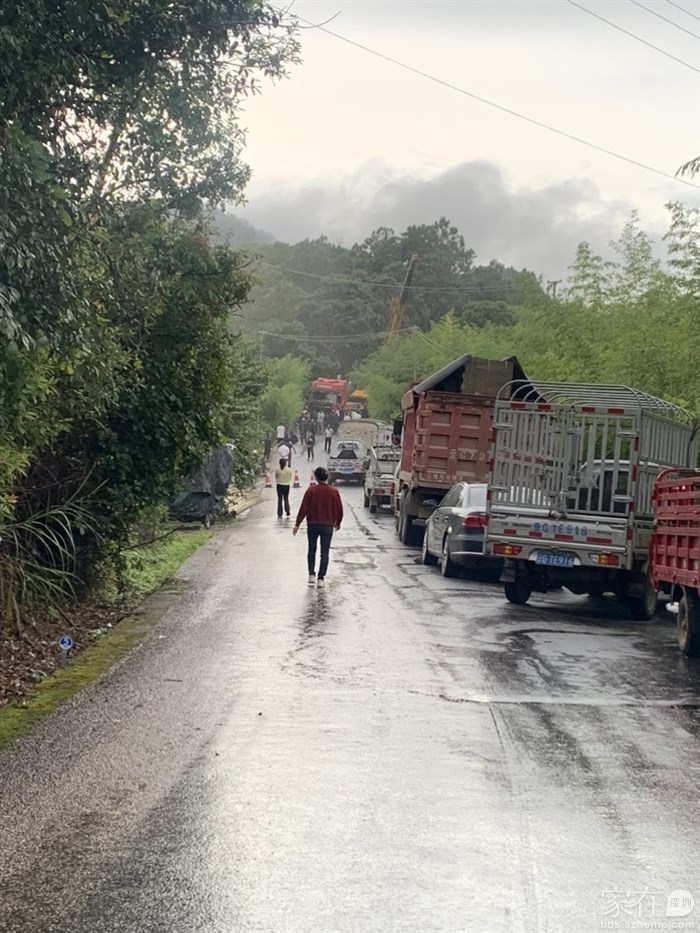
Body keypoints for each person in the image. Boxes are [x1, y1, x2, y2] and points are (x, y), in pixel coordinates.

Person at [293, 466, 343, 588]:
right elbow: (339, 509)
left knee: (312, 549)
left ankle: (311, 574)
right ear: (327, 477)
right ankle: (321, 578)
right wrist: (338, 522)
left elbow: (304, 508)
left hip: (313, 524)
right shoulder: (334, 491)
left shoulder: (311, 491)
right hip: (328, 525)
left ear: (316, 477)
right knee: (324, 552)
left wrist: (297, 524)